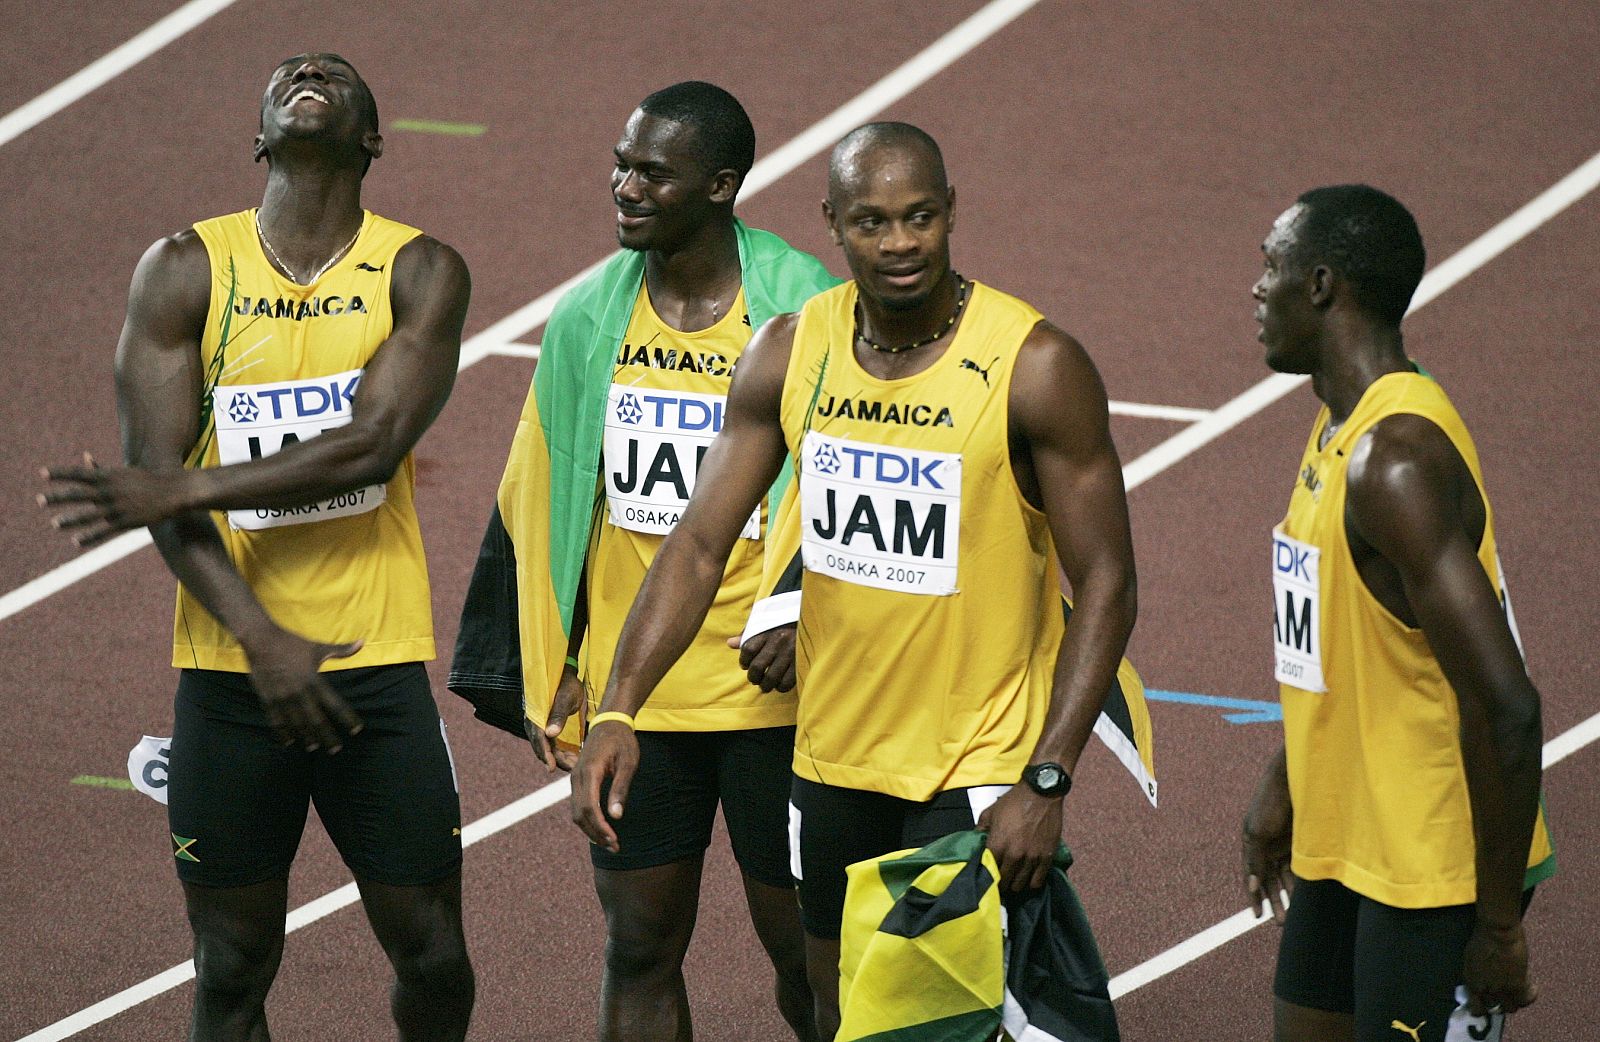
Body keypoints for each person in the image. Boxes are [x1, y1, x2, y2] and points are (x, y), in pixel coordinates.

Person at [570, 121, 1139, 1038]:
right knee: (843, 1015)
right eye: (872, 222)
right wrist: (618, 706)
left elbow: (1108, 582)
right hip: (831, 759)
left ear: (952, 213)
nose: (901, 242)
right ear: (833, 224)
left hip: (971, 767)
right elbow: (698, 544)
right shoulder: (793, 350)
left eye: (920, 217)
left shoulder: (1035, 365)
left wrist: (1048, 775)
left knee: (943, 1024)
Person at [40, 54, 474, 1042]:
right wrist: (260, 640)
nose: (309, 70)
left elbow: (370, 443)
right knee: (231, 963)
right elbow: (155, 484)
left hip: (373, 668)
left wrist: (183, 481)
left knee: (434, 950)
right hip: (231, 676)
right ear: (259, 138)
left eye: (334, 72)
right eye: (287, 73)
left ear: (370, 138)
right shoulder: (186, 267)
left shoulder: (420, 270)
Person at [450, 82, 835, 1041]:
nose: (623, 186)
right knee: (638, 947)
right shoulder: (587, 318)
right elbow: (540, 503)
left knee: (809, 954)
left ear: (721, 185)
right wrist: (559, 670)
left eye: (651, 173)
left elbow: (853, 488)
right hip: (642, 692)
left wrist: (804, 612)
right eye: (620, 165)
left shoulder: (805, 310)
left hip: (774, 697)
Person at [1243, 184, 1556, 1042]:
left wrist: (1497, 927)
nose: (1254, 288)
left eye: (1269, 266)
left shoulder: (1397, 461)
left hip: (1430, 864)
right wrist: (1287, 782)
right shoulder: (1339, 425)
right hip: (1351, 834)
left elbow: (1509, 705)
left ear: (1320, 286)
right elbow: (1351, 644)